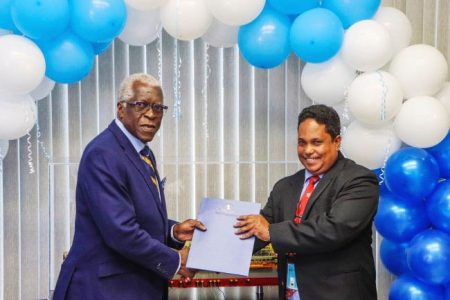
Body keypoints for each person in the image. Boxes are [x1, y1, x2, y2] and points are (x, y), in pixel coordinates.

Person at [53, 73, 206, 300]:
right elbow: (121, 231)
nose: (151, 115)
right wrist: (177, 260)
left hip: (132, 286)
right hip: (104, 290)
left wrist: (173, 231)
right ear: (121, 109)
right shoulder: (103, 153)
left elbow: (137, 217)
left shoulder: (143, 152)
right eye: (141, 105)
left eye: (158, 107)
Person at [234, 104, 379, 300]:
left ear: (337, 142)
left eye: (316, 142)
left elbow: (334, 229)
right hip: (292, 293)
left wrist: (270, 232)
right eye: (302, 143)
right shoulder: (284, 187)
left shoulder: (359, 180)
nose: (308, 150)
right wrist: (198, 258)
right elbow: (255, 230)